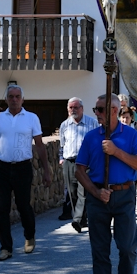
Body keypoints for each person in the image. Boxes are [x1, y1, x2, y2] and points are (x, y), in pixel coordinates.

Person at [75, 93, 137, 274]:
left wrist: (116, 151)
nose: (96, 113)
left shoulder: (131, 135)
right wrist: (96, 191)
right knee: (99, 250)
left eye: (100, 109)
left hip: (124, 195)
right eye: (96, 109)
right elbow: (79, 169)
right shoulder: (90, 137)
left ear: (114, 111)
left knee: (126, 247)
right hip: (98, 198)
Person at [0, 84, 52, 261]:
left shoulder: (31, 118)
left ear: (22, 99)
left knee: (23, 205)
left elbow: (40, 145)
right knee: (1, 208)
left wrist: (46, 170)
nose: (14, 99)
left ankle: (29, 235)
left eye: (17, 96)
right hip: (2, 167)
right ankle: (6, 247)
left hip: (22, 167)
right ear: (6, 99)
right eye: (11, 96)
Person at [59, 97, 99, 230]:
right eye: (71, 108)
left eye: (76, 107)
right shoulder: (64, 125)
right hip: (69, 162)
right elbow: (62, 145)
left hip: (85, 163)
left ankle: (78, 219)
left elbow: (97, 143)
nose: (73, 110)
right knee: (72, 192)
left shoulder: (92, 123)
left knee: (84, 191)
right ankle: (82, 218)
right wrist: (61, 158)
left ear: (82, 108)